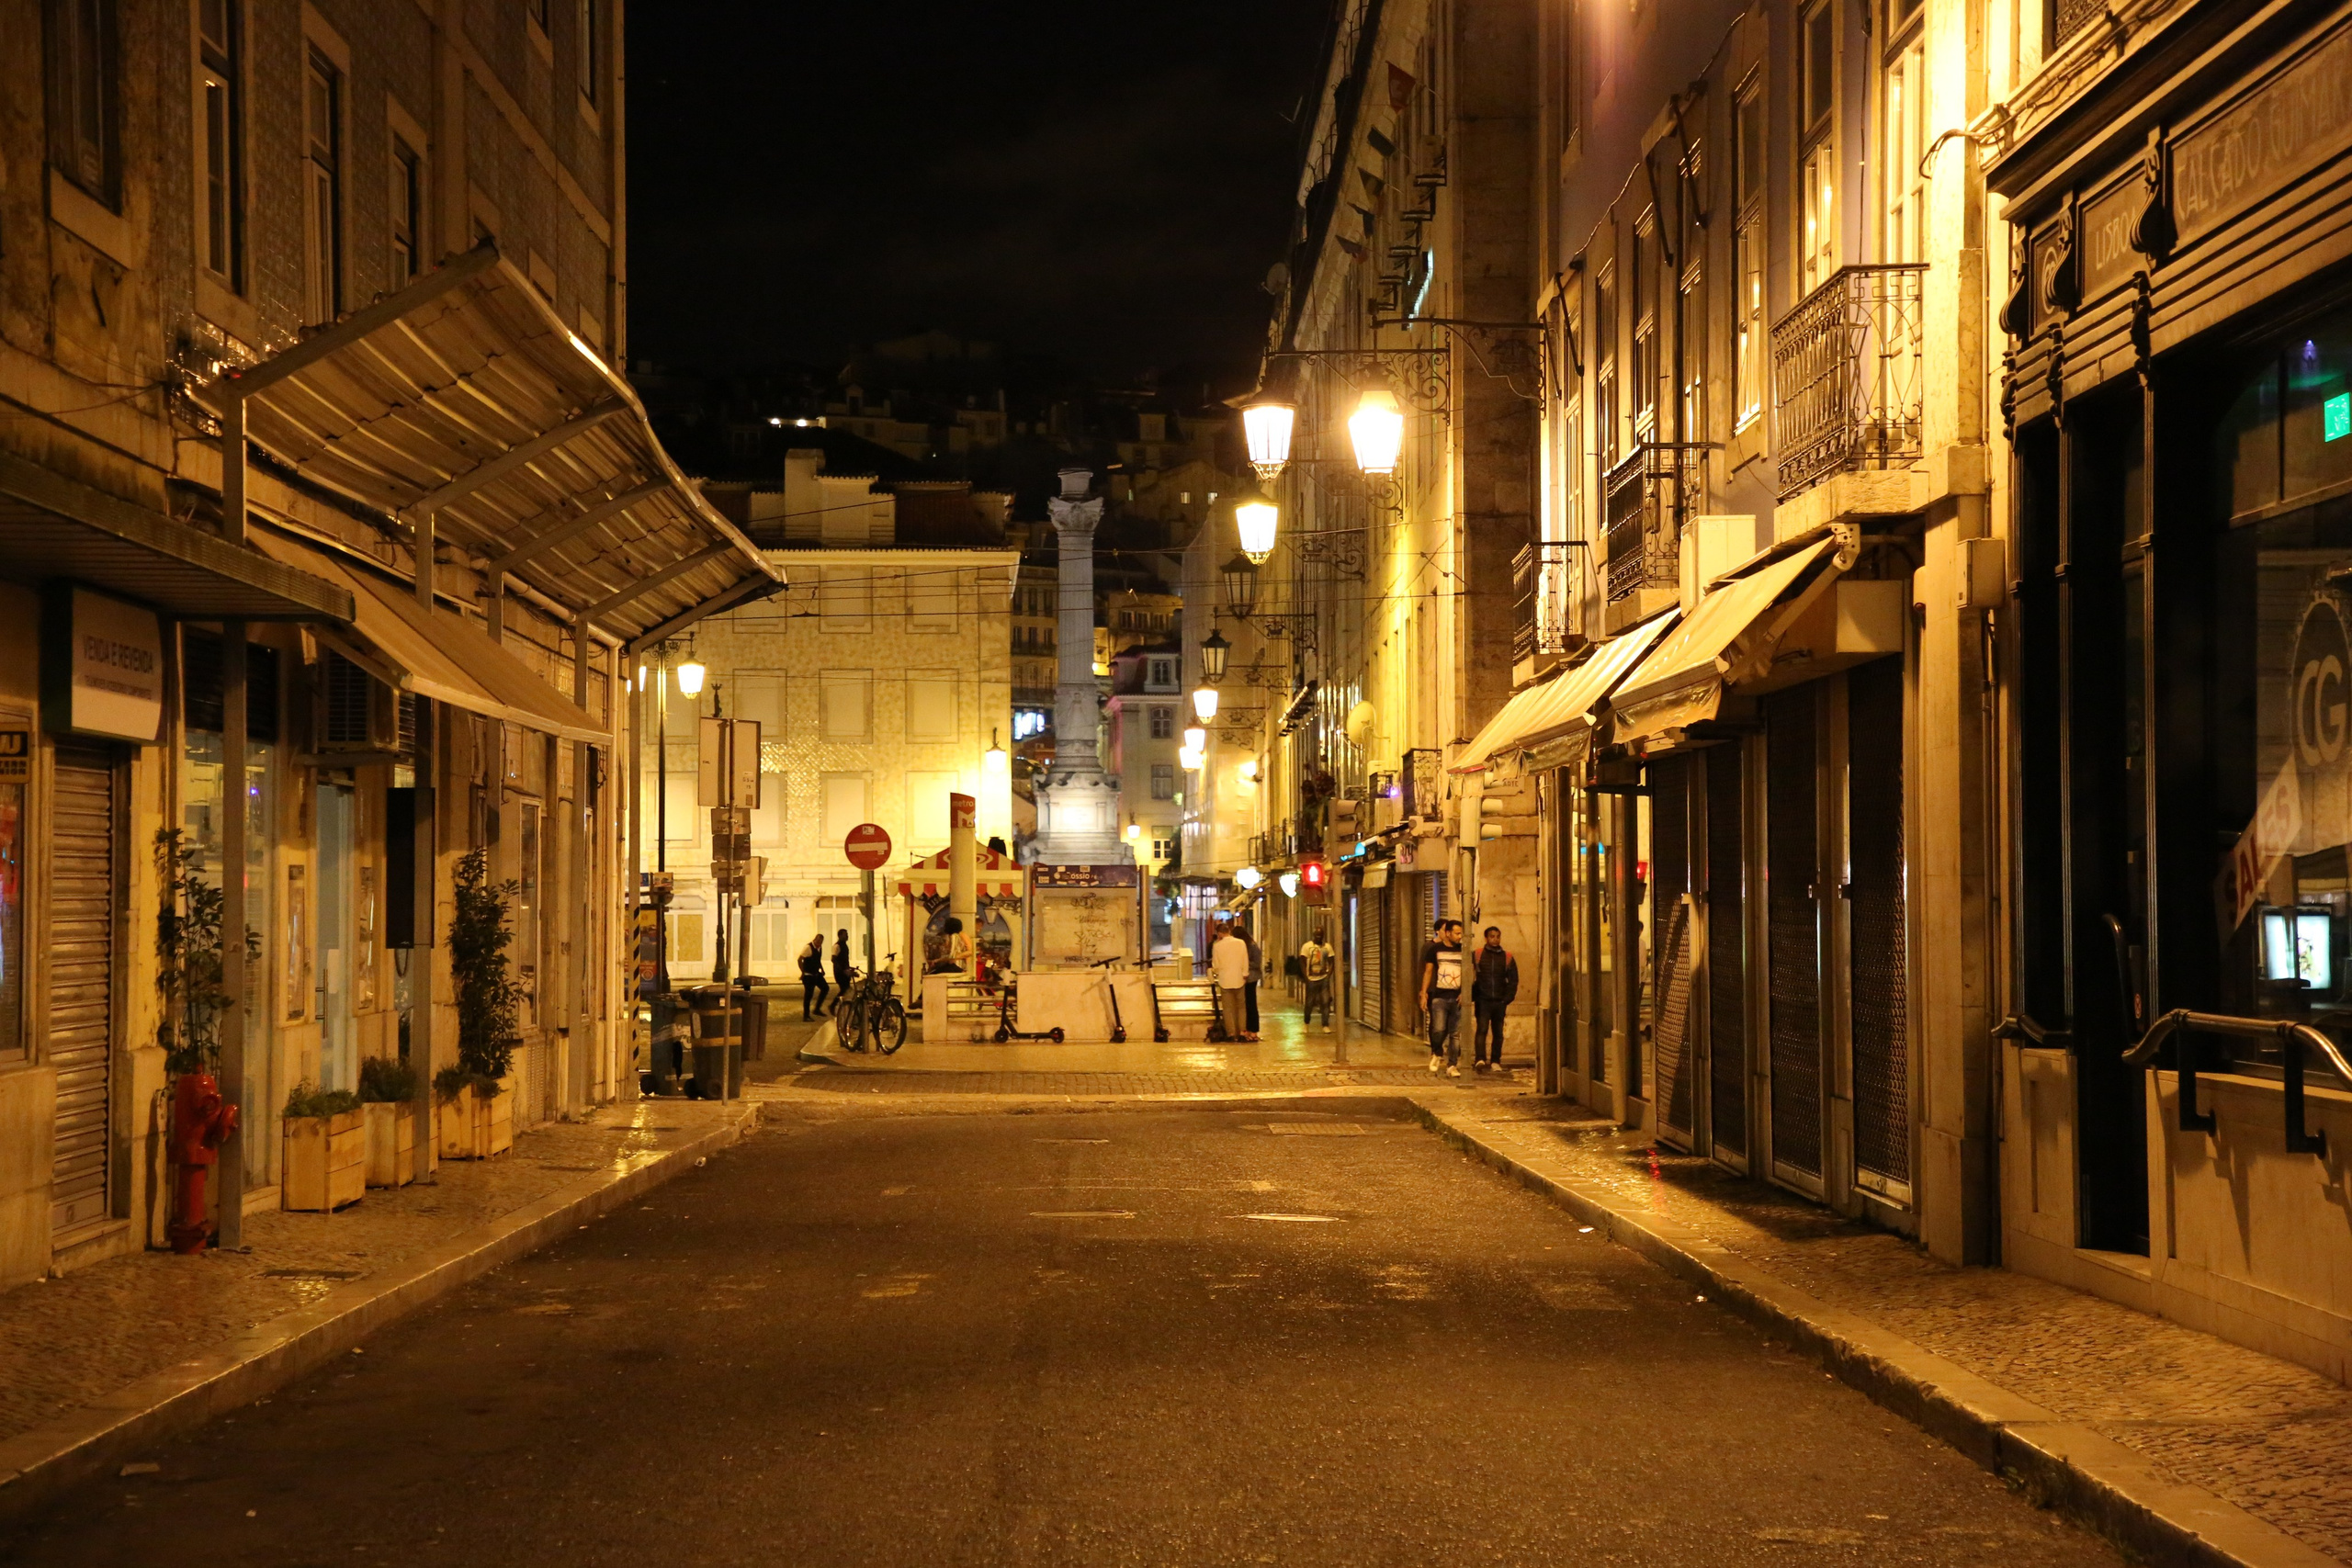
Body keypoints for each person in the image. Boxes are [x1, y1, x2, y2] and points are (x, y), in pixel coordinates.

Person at [1419, 918, 1465, 1077]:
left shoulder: (1464, 951)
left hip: (1458, 997)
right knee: (1438, 1029)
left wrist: (1465, 991)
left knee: (1455, 1034)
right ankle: (1437, 1052)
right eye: (1457, 933)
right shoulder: (1435, 950)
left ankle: (1452, 1065)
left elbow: (1470, 972)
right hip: (1439, 995)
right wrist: (1423, 993)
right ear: (1448, 933)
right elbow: (1428, 971)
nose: (1460, 936)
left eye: (1461, 933)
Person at [1471, 925, 1519, 1073]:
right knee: (1482, 1029)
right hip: (1483, 1000)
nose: (1495, 939)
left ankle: (1495, 1060)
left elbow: (1513, 980)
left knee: (1498, 1032)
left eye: (1498, 936)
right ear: (1486, 938)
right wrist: (1474, 996)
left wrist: (1507, 998)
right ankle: (1480, 1059)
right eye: (1492, 936)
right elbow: (1468, 975)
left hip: (1499, 1001)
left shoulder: (1507, 957)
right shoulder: (1477, 955)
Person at [1210, 919, 1251, 1043]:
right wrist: (1245, 974)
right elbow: (1245, 959)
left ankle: (1231, 1033)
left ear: (1219, 933)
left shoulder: (1217, 946)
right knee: (1241, 1007)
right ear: (1229, 931)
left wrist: (1216, 973)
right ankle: (1243, 1032)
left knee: (1228, 1009)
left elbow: (1216, 965)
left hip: (1225, 980)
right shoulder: (1241, 943)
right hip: (1239, 978)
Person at [1299, 930, 1334, 1029]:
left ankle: (1325, 1024)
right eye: (1317, 935)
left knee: (1325, 1002)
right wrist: (1306, 977)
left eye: (1321, 935)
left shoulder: (1327, 947)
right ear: (1314, 935)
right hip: (1311, 978)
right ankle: (1306, 1023)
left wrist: (1328, 976)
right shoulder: (1307, 946)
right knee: (1309, 1002)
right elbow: (1302, 962)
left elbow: (1332, 961)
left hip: (1323, 978)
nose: (1319, 937)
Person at [1238, 918, 1263, 1041]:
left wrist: (1244, 964)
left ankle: (1254, 1030)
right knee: (1246, 1005)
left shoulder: (1252, 946)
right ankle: (1248, 1029)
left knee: (1251, 1004)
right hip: (1244, 978)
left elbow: (1257, 962)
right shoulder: (1243, 946)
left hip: (1251, 978)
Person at [798, 934, 831, 1021]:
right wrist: (803, 972)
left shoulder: (819, 948)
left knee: (825, 988)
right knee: (808, 995)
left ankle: (817, 1008)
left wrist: (822, 969)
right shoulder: (808, 948)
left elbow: (817, 959)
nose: (819, 943)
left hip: (816, 973)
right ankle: (806, 1016)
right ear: (815, 940)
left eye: (821, 942)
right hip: (808, 975)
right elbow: (800, 959)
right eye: (818, 941)